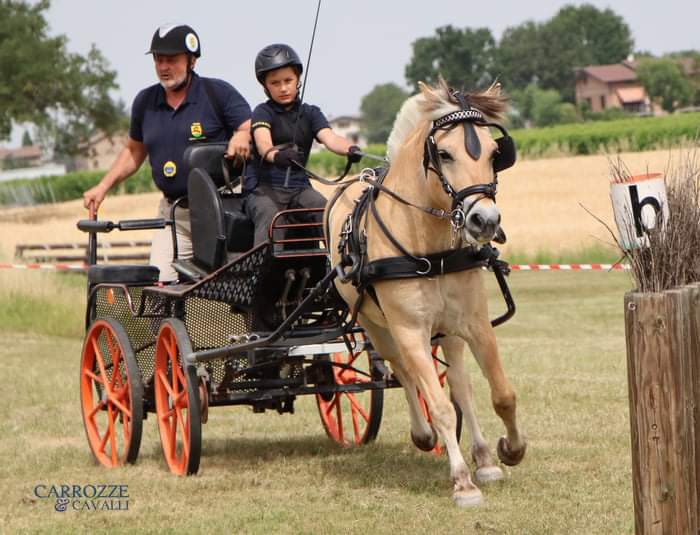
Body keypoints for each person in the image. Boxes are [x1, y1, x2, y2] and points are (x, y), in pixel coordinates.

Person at [83, 23, 252, 281]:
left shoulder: (218, 93)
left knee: (234, 290)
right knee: (160, 290)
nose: (163, 67)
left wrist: (241, 135)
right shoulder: (145, 102)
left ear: (191, 60)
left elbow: (250, 127)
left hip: (220, 213)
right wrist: (102, 186)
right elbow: (133, 151)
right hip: (172, 214)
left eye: (171, 60)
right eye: (158, 60)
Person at [245, 43, 362, 246]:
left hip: (299, 189)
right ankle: (262, 275)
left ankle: (339, 269)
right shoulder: (262, 112)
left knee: (325, 211)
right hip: (263, 190)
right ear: (265, 86)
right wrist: (276, 156)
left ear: (298, 79)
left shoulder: (311, 113)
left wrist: (349, 149)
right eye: (275, 83)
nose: (283, 88)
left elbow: (331, 138)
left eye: (288, 80)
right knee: (273, 219)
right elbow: (263, 143)